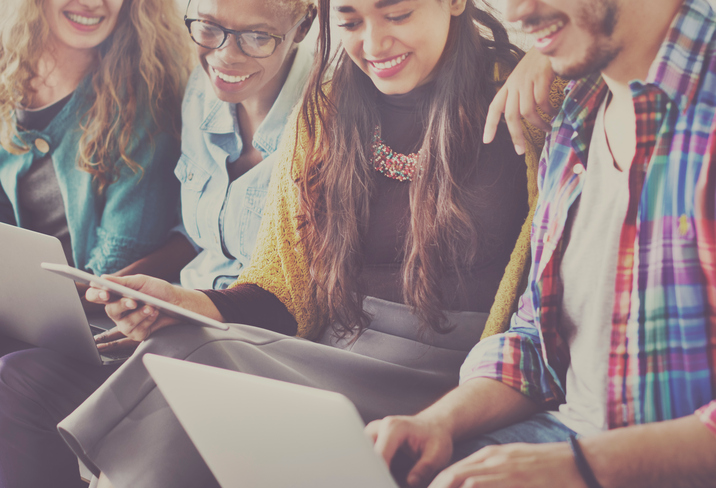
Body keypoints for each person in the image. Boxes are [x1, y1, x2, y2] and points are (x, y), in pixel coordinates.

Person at [49, 0, 558, 486]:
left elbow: (624, 43)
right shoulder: (326, 105)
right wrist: (187, 302)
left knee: (193, 365)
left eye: (397, 14)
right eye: (351, 21)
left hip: (459, 380)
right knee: (180, 347)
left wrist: (546, 50)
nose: (374, 43)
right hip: (332, 354)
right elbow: (280, 289)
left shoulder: (536, 94)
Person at [367, 0, 716, 487]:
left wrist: (586, 467)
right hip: (564, 439)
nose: (516, 12)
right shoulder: (574, 114)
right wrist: (437, 423)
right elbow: (538, 343)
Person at [93, 0, 318, 354]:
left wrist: (184, 307)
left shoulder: (327, 119)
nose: (225, 56)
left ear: (303, 27)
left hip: (259, 341)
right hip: (177, 314)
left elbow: (301, 298)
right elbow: (204, 236)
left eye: (258, 36)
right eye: (209, 27)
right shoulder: (202, 88)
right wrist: (113, 285)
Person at [0, 0, 191, 355]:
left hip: (81, 323)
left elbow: (113, 272)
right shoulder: (7, 67)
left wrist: (19, 306)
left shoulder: (146, 94)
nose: (91, 3)